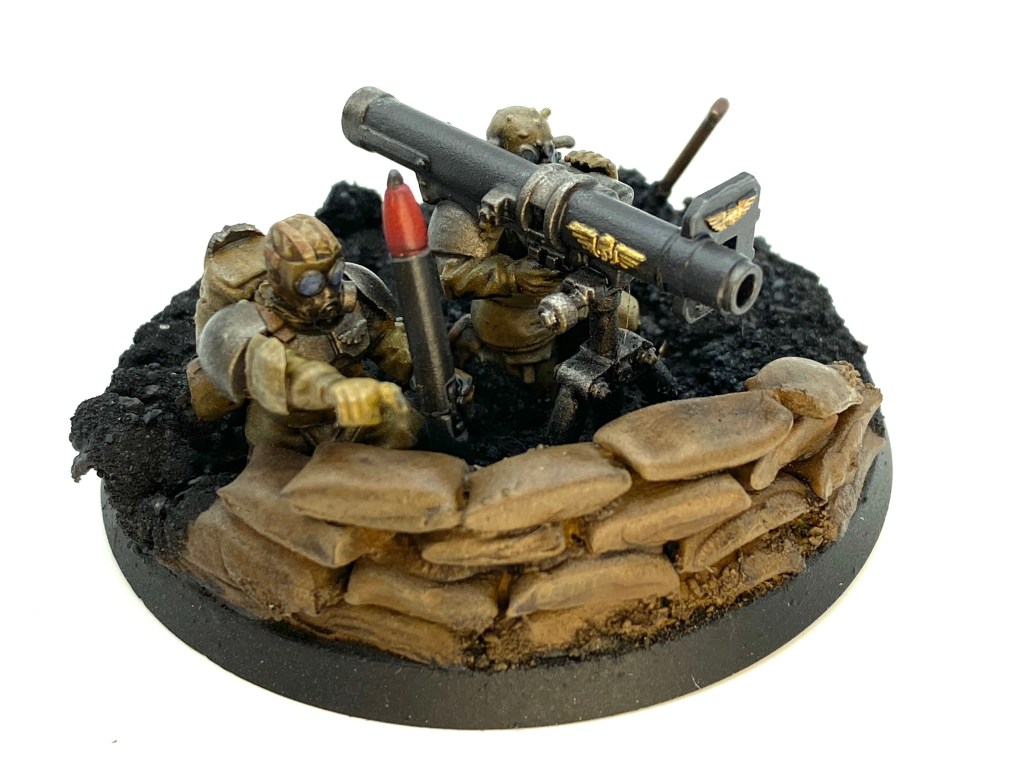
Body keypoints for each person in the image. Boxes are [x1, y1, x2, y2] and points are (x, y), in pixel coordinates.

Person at [429, 106, 637, 386]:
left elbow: (610, 225)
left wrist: (603, 183)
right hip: (513, 308)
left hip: (575, 285)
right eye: (529, 157)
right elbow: (454, 275)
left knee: (625, 314)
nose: (543, 166)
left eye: (548, 153)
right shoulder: (468, 202)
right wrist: (513, 276)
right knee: (535, 372)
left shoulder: (560, 178)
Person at [194, 213, 421, 452]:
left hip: (356, 412)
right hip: (286, 432)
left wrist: (424, 366)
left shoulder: (357, 300)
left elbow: (387, 339)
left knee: (404, 425)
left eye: (334, 276)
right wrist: (337, 391)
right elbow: (290, 376)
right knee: (273, 470)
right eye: (310, 284)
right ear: (279, 281)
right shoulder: (252, 327)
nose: (328, 294)